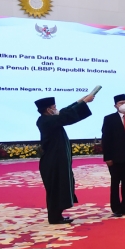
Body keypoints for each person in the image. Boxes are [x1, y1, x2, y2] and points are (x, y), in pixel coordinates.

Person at [35, 91, 96, 224]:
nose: (56, 109)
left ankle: (57, 215)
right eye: (54, 107)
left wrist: (79, 101)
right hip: (53, 162)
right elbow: (66, 116)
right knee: (56, 187)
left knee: (61, 186)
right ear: (48, 109)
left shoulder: (50, 118)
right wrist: (84, 103)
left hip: (57, 160)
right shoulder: (46, 121)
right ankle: (55, 217)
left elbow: (64, 112)